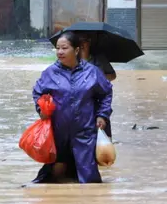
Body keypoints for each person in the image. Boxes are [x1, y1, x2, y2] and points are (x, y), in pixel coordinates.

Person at [32, 32, 113, 183]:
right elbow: (38, 93)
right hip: (58, 131)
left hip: (85, 131)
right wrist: (41, 109)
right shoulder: (50, 73)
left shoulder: (92, 72)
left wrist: (102, 115)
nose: (60, 52)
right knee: (54, 176)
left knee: (89, 179)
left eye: (64, 48)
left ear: (76, 50)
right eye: (57, 48)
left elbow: (106, 93)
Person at [79, 33, 116, 139]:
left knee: (104, 144)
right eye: (79, 41)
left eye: (84, 40)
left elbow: (112, 76)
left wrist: (98, 77)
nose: (82, 44)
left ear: (89, 43)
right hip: (81, 107)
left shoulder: (99, 59)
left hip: (98, 104)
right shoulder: (72, 61)